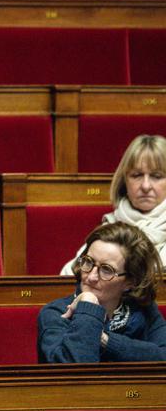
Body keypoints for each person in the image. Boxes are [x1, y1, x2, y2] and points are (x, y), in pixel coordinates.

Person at [40, 222, 165, 363]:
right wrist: (88, 305)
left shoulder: (143, 311)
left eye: (107, 270)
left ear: (130, 281)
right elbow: (74, 373)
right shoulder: (57, 313)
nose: (91, 277)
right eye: (88, 262)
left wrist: (104, 340)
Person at [61, 134, 166, 274]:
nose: (146, 186)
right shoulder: (110, 227)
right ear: (124, 181)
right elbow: (68, 276)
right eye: (136, 175)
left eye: (156, 176)